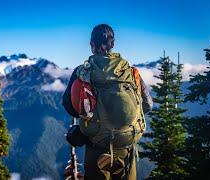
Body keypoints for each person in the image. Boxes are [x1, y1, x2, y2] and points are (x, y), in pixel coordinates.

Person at [62, 24, 153, 180]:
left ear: (92, 45)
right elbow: (148, 105)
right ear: (113, 44)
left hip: (97, 146)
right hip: (127, 147)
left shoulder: (83, 72)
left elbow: (69, 106)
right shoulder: (130, 72)